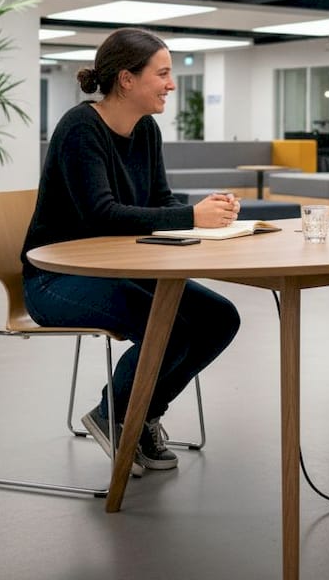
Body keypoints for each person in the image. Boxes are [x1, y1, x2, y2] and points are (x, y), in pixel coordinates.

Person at [21, 27, 242, 476]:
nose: (171, 84)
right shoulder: (80, 129)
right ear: (126, 79)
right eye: (162, 73)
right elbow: (101, 215)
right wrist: (189, 218)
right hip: (56, 279)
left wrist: (205, 212)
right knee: (169, 329)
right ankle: (112, 415)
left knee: (220, 318)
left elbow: (160, 202)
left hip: (120, 272)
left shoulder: (146, 130)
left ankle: (140, 414)